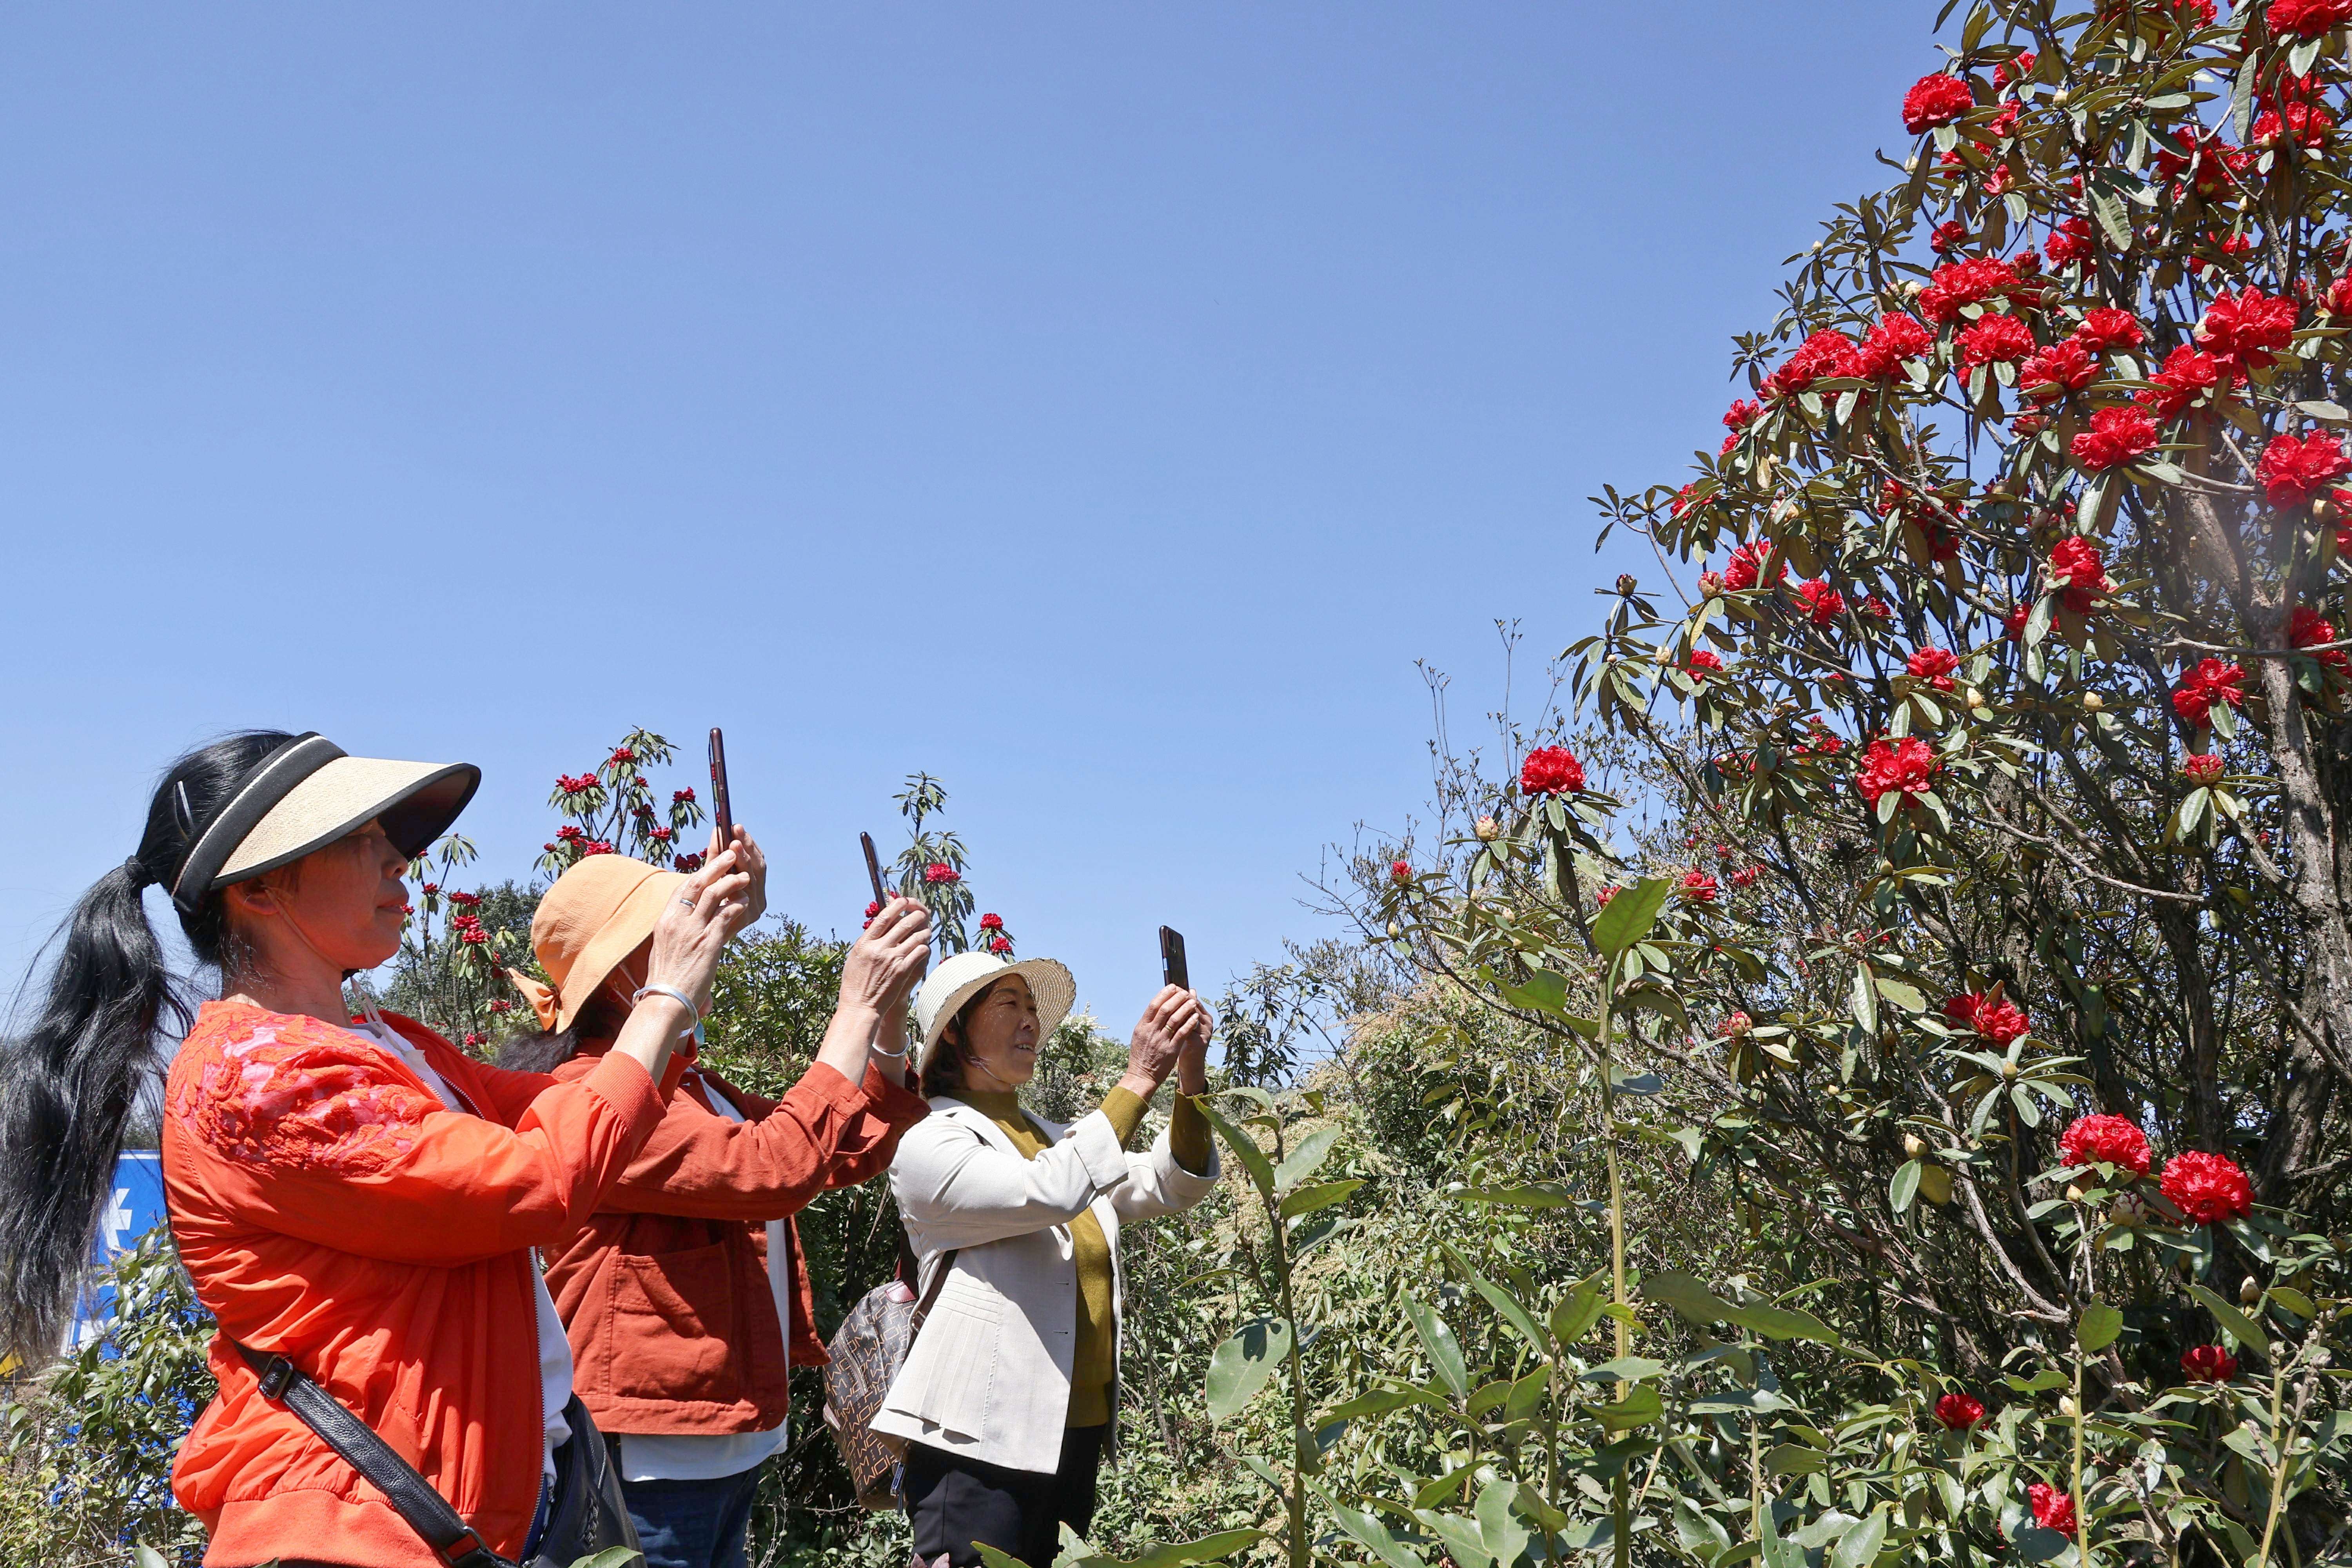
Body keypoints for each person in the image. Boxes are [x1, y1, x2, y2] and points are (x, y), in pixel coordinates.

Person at [0, 730, 755, 1568]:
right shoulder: (255, 1076)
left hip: (435, 1514)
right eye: (364, 840)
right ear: (258, 889)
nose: (401, 860)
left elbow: (588, 1110)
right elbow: (536, 1177)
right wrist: (663, 993)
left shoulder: (387, 1039)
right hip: (353, 1530)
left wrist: (687, 967)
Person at [502, 854, 935, 1568]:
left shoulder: (693, 1088)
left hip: (723, 1434)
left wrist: (885, 1018)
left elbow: (845, 1147)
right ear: (621, 975)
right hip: (650, 1452)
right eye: (673, 923)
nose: (698, 935)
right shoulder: (593, 1094)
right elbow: (777, 1167)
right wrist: (853, 1006)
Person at [873, 949, 1219, 1568]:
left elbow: (1175, 1183)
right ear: (952, 1033)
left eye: (1034, 1007)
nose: (1031, 1020)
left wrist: (1190, 1077)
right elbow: (1051, 1191)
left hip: (1070, 1434)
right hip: (976, 1440)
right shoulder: (928, 1140)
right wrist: (1139, 1077)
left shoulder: (1054, 1137)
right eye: (1010, 1004)